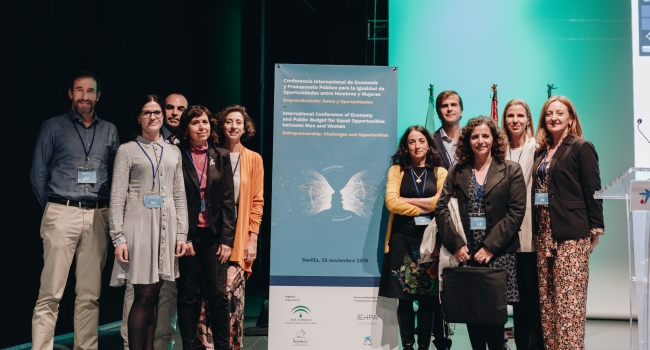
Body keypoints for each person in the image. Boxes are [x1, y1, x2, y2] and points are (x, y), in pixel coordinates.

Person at [30, 71, 119, 350]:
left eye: (90, 91)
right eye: (79, 91)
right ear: (70, 94)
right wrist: (56, 208)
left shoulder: (109, 130)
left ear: (98, 96)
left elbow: (116, 176)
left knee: (89, 295)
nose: (84, 96)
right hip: (61, 211)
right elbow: (38, 175)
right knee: (50, 293)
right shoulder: (53, 127)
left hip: (97, 215)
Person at [435, 116, 526, 350]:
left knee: (494, 315)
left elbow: (516, 212)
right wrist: (456, 244)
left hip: (498, 252)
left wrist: (490, 246)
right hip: (466, 251)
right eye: (475, 136)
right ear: (467, 141)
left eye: (485, 135)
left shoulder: (511, 170)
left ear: (494, 138)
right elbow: (442, 207)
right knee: (471, 310)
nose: (480, 141)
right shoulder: (457, 171)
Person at [109, 94, 188, 350]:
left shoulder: (173, 151)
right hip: (139, 228)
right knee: (142, 295)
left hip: (166, 228)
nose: (153, 117)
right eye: (147, 112)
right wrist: (118, 237)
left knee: (155, 297)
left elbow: (179, 195)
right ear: (139, 117)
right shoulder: (127, 150)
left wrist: (182, 235)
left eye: (156, 112)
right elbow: (118, 195)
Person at [532, 96, 604, 350]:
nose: (553, 117)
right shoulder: (541, 152)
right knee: (549, 304)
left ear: (570, 118)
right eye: (549, 113)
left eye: (559, 113)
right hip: (544, 235)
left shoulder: (581, 147)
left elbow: (593, 189)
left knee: (569, 304)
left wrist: (595, 229)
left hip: (571, 233)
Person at [378, 125, 448, 350]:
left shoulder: (440, 171)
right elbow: (391, 202)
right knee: (404, 299)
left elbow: (442, 203)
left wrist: (407, 201)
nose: (417, 146)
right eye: (411, 142)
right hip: (401, 241)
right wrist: (425, 206)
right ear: (405, 146)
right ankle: (407, 346)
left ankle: (423, 347)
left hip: (430, 243)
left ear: (429, 144)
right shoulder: (397, 170)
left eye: (421, 141)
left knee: (428, 299)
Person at [175, 105, 236, 350]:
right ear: (186, 128)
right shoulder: (177, 155)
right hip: (187, 236)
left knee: (219, 295)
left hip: (213, 236)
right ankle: (189, 346)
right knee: (188, 294)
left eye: (205, 122)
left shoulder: (220, 156)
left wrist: (227, 240)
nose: (202, 127)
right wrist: (184, 236)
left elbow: (228, 202)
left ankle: (223, 347)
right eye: (195, 123)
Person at [213, 105, 264, 350]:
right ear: (222, 125)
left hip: (239, 232)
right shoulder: (211, 154)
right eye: (229, 122)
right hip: (212, 232)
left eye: (239, 122)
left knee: (232, 296)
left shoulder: (254, 159)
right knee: (212, 294)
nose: (234, 126)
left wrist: (252, 239)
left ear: (246, 128)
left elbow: (256, 201)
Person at [501, 99, 543, 349]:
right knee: (512, 299)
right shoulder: (498, 149)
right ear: (504, 120)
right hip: (502, 233)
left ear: (528, 119)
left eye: (520, 115)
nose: (515, 120)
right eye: (510, 116)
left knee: (530, 297)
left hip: (528, 231)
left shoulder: (537, 146)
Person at [431, 90, 463, 169]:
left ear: (461, 111)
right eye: (445, 106)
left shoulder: (472, 139)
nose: (449, 109)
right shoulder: (429, 141)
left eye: (453, 105)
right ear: (438, 113)